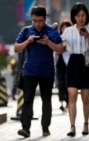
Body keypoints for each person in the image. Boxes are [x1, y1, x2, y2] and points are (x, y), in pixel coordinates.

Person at [14, 5, 63, 138]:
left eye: (40, 21)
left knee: (46, 100)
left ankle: (45, 128)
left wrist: (48, 43)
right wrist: (28, 41)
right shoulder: (26, 31)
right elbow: (16, 48)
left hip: (47, 72)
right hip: (29, 71)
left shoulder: (52, 31)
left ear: (45, 18)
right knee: (28, 99)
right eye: (34, 21)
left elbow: (60, 49)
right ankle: (25, 128)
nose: (37, 24)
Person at [61, 2, 89, 137]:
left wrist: (87, 36)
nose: (80, 18)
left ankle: (86, 123)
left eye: (83, 15)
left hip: (87, 62)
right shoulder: (68, 31)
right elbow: (60, 44)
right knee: (72, 94)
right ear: (73, 17)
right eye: (77, 15)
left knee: (85, 97)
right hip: (73, 62)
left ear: (86, 16)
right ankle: (72, 126)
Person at [54, 21, 72, 112]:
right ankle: (61, 102)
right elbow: (57, 51)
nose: (64, 29)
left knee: (68, 84)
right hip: (60, 63)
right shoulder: (59, 38)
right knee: (60, 83)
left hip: (70, 62)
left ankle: (68, 103)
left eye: (67, 28)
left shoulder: (73, 38)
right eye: (63, 28)